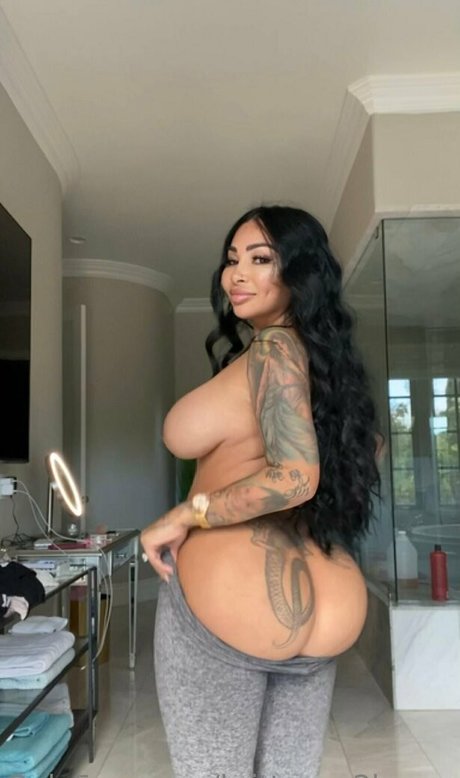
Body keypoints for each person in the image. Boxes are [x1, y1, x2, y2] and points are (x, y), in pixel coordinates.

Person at [140, 205, 380, 778]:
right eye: (232, 259)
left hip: (237, 602)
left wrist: (187, 513)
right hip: (328, 606)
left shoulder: (273, 351)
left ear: (300, 272)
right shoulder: (329, 365)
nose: (236, 274)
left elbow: (295, 476)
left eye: (261, 258)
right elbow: (366, 451)